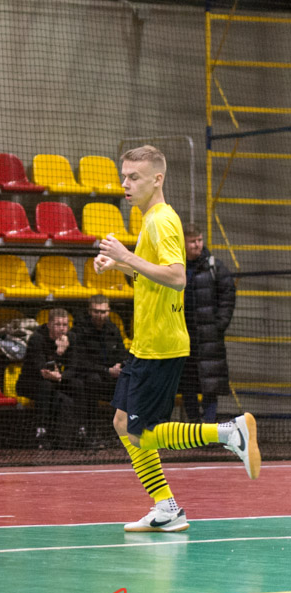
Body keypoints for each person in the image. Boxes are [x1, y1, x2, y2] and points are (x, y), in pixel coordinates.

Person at [95, 145, 259, 533]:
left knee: (143, 434)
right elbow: (152, 276)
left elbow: (176, 277)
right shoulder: (150, 220)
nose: (125, 184)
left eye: (134, 177)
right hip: (145, 342)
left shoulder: (161, 221)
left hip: (162, 345)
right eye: (123, 176)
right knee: (122, 422)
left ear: (157, 179)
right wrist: (119, 264)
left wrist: (126, 256)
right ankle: (166, 508)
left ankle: (228, 432)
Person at [177, 224, 236, 422]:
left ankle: (208, 427)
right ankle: (194, 426)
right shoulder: (177, 267)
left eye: (199, 240)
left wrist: (219, 325)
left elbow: (228, 295)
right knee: (188, 385)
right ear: (184, 243)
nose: (197, 245)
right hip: (185, 337)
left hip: (210, 338)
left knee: (211, 385)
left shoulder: (214, 267)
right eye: (192, 241)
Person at [16, 308, 84, 449]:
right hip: (31, 382)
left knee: (77, 384)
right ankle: (41, 431)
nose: (62, 329)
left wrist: (61, 377)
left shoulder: (71, 338)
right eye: (58, 324)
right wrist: (59, 352)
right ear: (49, 325)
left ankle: (80, 429)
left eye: (65, 325)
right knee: (46, 386)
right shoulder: (37, 339)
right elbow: (42, 370)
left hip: (56, 380)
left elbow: (73, 367)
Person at [70, 295, 129, 446]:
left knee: (128, 382)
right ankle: (91, 433)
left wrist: (119, 365)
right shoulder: (79, 330)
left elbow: (122, 353)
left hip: (110, 375)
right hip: (87, 376)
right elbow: (79, 361)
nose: (100, 315)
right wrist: (106, 370)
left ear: (108, 311)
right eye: (96, 311)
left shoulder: (113, 329)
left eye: (103, 312)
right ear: (90, 311)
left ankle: (120, 432)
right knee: (93, 381)